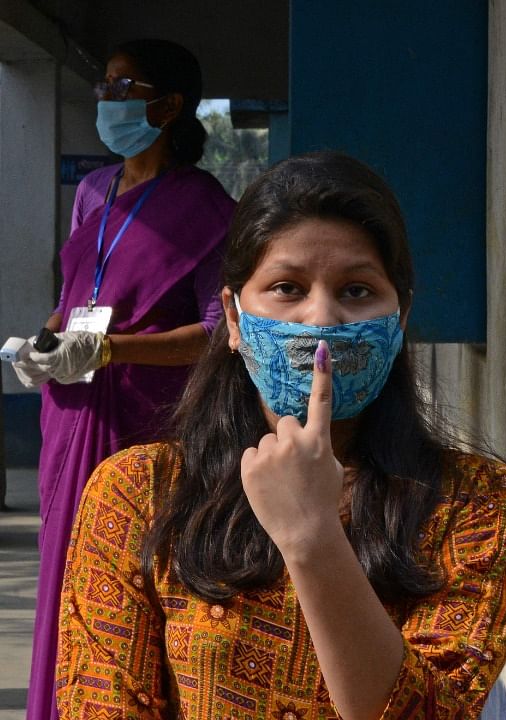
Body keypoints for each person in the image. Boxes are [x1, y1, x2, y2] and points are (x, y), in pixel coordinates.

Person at [55, 153, 506, 719]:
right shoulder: (138, 493)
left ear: (399, 317)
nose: (322, 320)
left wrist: (314, 539)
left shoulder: (476, 502)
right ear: (234, 317)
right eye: (287, 287)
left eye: (357, 291)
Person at [9, 39, 235, 720]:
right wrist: (49, 341)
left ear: (167, 106)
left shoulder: (207, 209)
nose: (104, 99)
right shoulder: (92, 191)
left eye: (122, 86)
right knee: (65, 562)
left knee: (128, 572)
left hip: (144, 419)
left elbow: (217, 333)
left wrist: (115, 351)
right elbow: (76, 291)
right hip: (70, 409)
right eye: (104, 86)